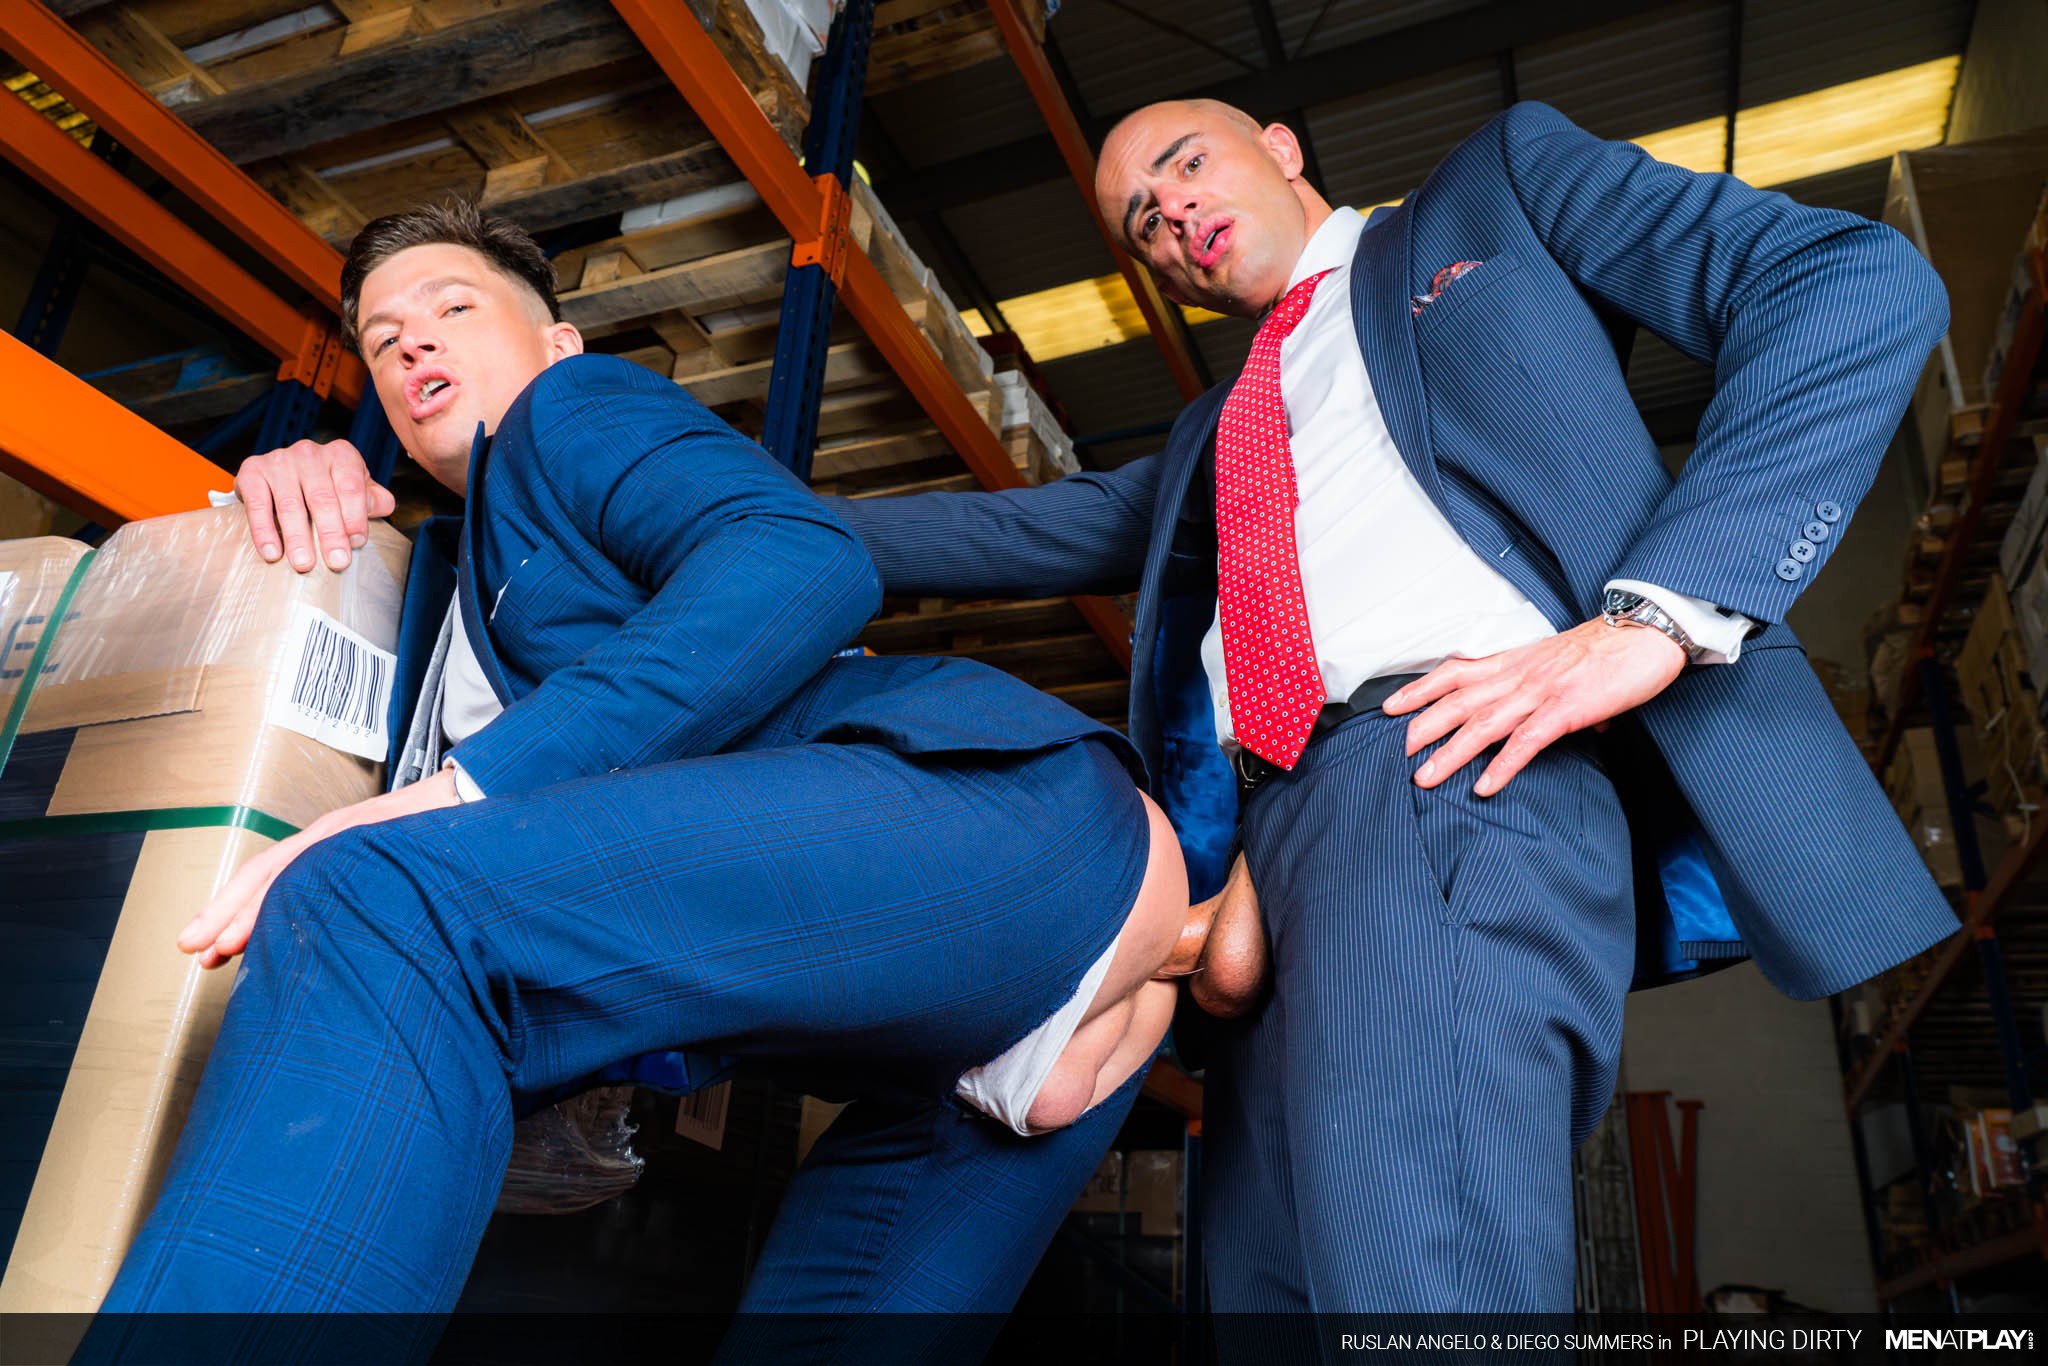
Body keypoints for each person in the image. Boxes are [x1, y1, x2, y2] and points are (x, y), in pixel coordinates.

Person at [94, 202, 1243, 1356]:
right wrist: (301, 464)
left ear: (557, 343)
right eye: (383, 341)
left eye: (453, 307)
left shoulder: (566, 411)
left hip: (998, 827)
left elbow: (797, 557)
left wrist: (445, 800)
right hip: (947, 1018)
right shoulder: (459, 569)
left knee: (377, 895)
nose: (413, 344)